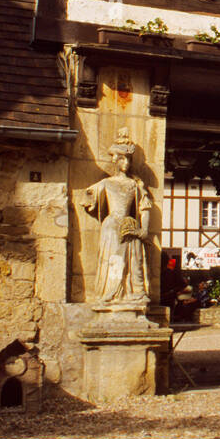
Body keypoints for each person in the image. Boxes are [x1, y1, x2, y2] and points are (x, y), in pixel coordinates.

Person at [81, 129, 153, 306]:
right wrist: (90, 195)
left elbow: (145, 208)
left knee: (134, 262)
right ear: (116, 160)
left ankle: (134, 294)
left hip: (130, 227)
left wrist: (144, 230)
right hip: (112, 226)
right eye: (122, 158)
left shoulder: (134, 184)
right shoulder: (106, 183)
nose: (126, 163)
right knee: (114, 260)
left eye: (128, 159)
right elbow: (88, 197)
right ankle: (111, 294)